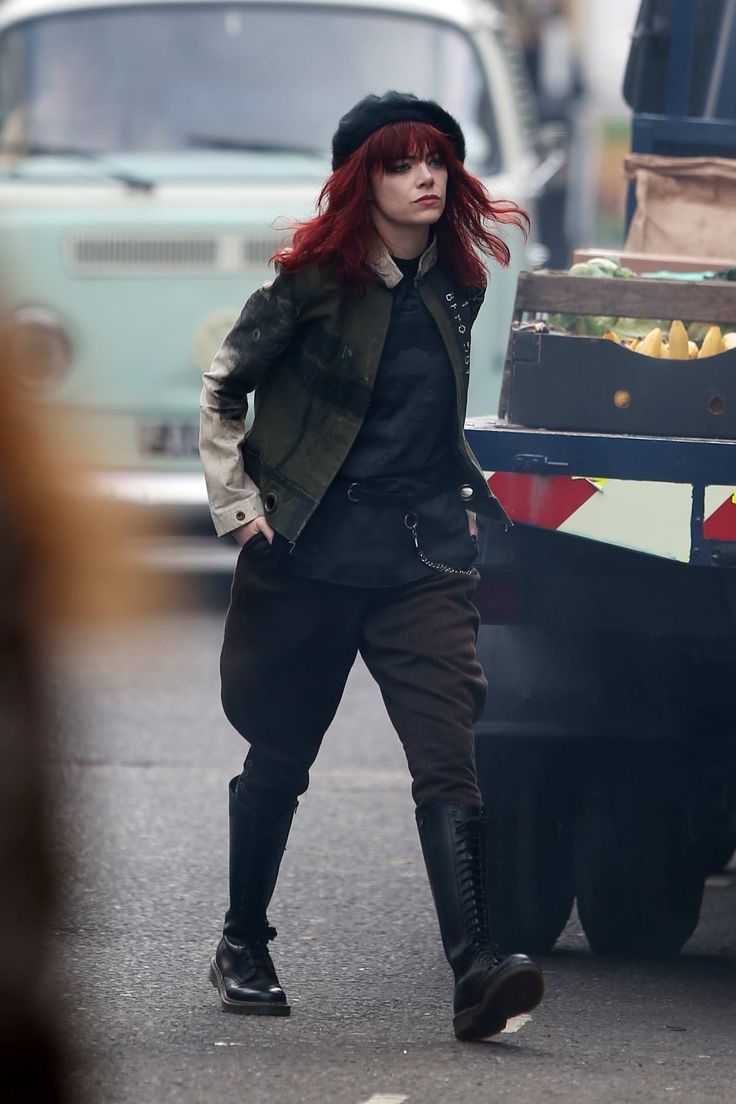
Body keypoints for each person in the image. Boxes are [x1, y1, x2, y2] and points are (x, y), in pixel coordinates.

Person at [199, 91, 544, 1042]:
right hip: (306, 550)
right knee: (281, 754)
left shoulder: (456, 283)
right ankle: (243, 940)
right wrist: (241, 512)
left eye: (436, 160)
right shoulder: (308, 282)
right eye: (401, 163)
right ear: (364, 180)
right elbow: (225, 387)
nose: (425, 176)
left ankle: (475, 967)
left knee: (448, 757)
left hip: (423, 552)